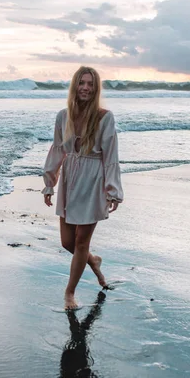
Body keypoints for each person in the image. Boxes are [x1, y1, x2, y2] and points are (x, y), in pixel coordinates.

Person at [42, 66, 123, 310]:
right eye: (82, 83)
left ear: (96, 89)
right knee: (68, 242)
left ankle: (69, 293)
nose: (86, 88)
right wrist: (49, 183)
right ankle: (93, 261)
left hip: (93, 181)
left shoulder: (104, 117)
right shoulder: (62, 116)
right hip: (70, 180)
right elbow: (58, 149)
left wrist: (113, 190)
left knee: (80, 242)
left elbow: (111, 156)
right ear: (75, 86)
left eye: (91, 84)